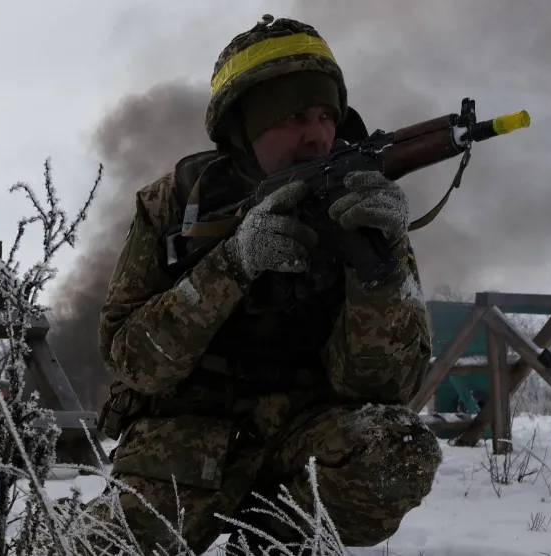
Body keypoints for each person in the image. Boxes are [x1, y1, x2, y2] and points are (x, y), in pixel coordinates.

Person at [89, 14, 442, 554]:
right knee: (90, 548)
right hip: (186, 442)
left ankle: (275, 543)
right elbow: (130, 359)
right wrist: (231, 264)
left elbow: (384, 389)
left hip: (304, 435)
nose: (317, 136)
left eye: (327, 115)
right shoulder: (175, 203)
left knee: (396, 446)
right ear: (242, 128)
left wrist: (381, 266)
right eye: (294, 116)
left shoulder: (360, 203)